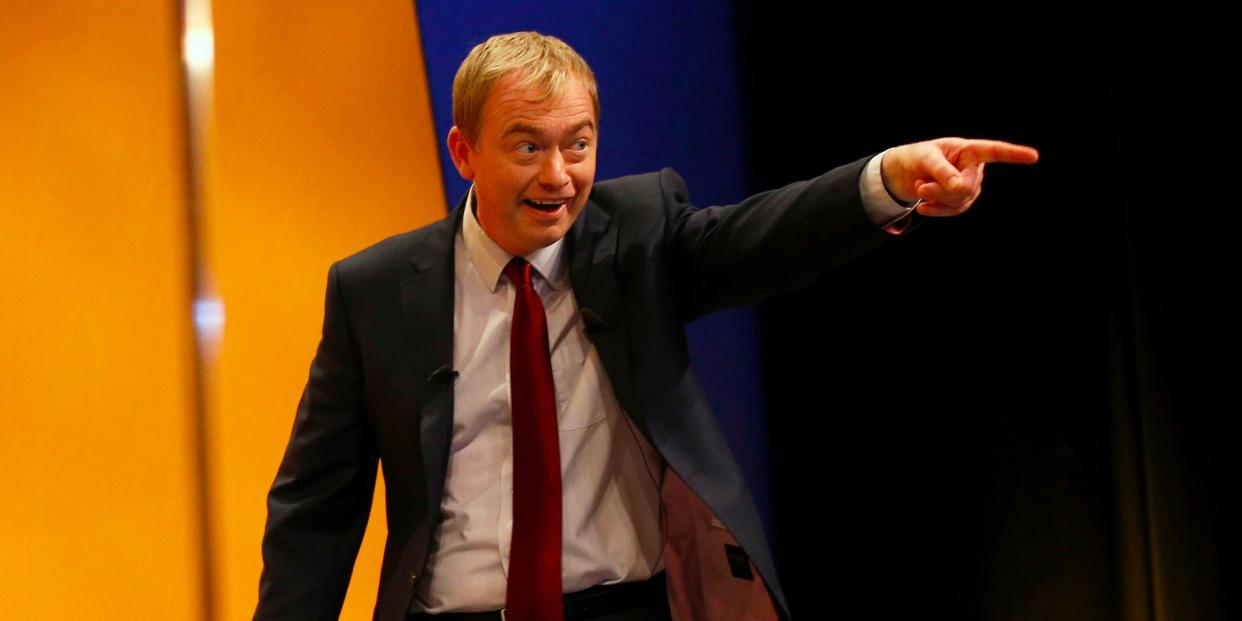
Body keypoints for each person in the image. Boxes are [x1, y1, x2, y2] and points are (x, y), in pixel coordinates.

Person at [254, 31, 1038, 621]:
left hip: (625, 606)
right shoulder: (375, 289)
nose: (558, 176)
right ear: (464, 150)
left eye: (578, 144)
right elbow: (316, 508)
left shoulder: (638, 232)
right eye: (528, 146)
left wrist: (884, 183)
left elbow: (768, 235)